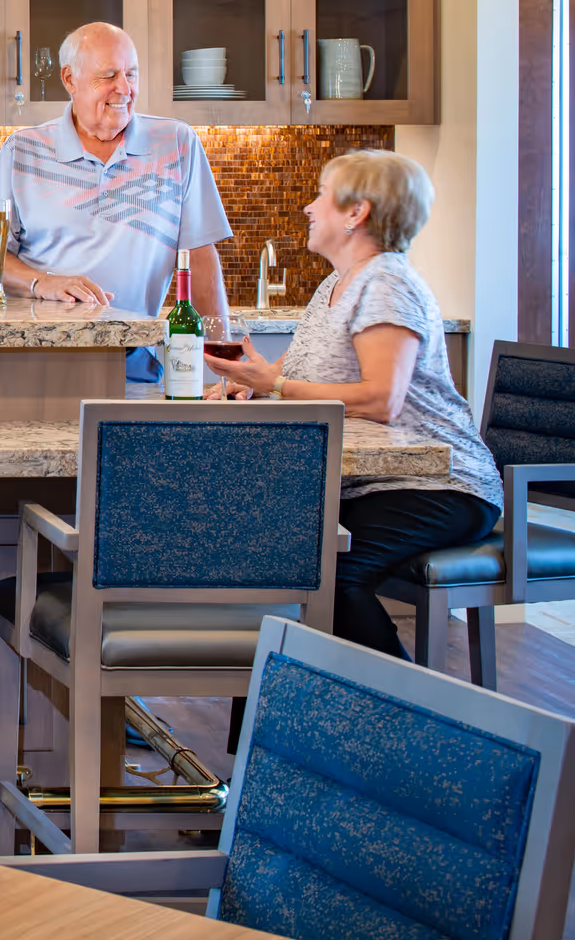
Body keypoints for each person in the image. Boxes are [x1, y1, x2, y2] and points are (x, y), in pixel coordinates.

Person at [205, 149, 502, 661]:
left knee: (325, 572)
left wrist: (275, 387)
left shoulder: (387, 281)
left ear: (355, 212)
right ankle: (272, 729)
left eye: (321, 193)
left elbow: (381, 398)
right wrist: (255, 379)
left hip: (439, 484)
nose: (308, 207)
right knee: (271, 553)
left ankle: (400, 720)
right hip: (376, 482)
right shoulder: (334, 285)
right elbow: (297, 380)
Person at [0, 22, 231, 378]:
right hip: (32, 366)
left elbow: (199, 258)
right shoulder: (22, 150)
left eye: (131, 74)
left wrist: (226, 370)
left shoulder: (177, 145)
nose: (125, 88)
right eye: (109, 75)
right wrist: (42, 282)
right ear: (69, 79)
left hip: (131, 369)